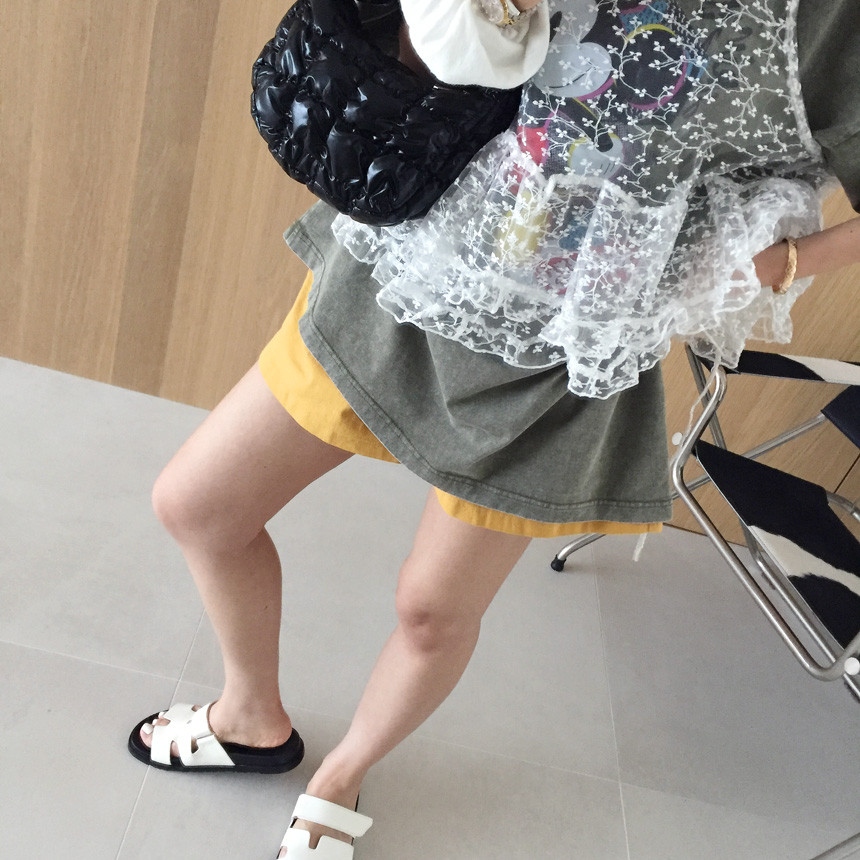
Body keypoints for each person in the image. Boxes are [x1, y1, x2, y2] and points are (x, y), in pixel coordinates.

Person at [127, 0, 860, 856]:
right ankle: (250, 717)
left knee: (432, 611)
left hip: (576, 350)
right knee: (198, 505)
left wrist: (788, 260)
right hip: (415, 264)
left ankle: (343, 775)